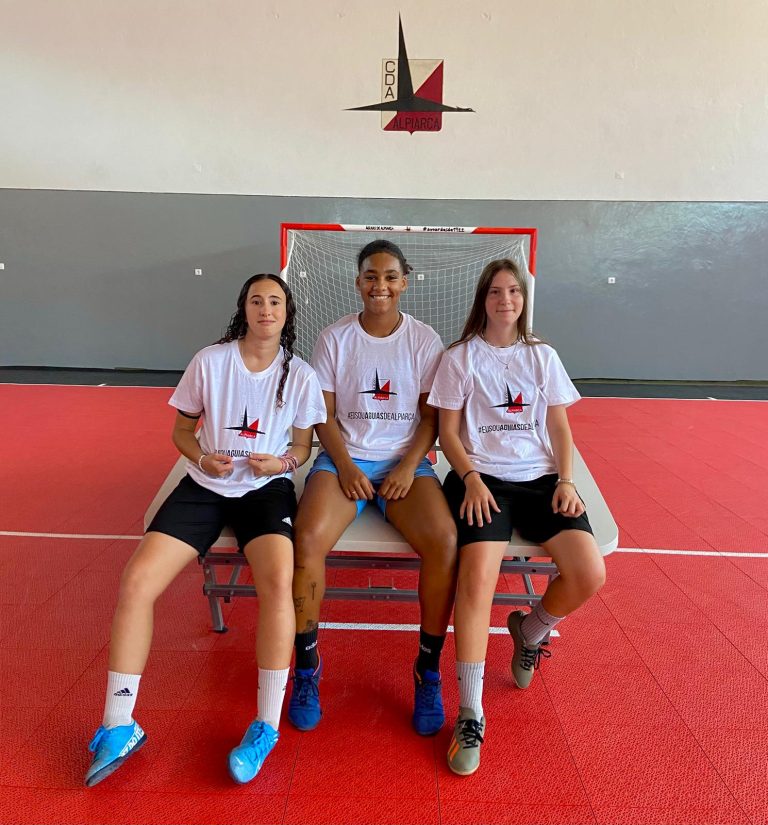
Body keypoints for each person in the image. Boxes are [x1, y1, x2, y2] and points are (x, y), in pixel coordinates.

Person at [84, 274, 326, 787]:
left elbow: (303, 448)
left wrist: (281, 463)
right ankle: (118, 724)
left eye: (275, 301)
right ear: (244, 308)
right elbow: (181, 431)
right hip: (204, 486)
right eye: (257, 300)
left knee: (278, 583)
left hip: (265, 490)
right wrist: (201, 457)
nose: (266, 309)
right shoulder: (211, 362)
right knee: (136, 581)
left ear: (287, 313)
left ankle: (265, 727)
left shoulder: (300, 374)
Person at [427, 258, 606, 776]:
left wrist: (567, 481)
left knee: (589, 573)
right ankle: (471, 712)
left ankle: (530, 632)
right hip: (481, 479)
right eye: (495, 292)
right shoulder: (461, 357)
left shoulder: (541, 355)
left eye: (513, 291)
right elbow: (447, 433)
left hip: (541, 480)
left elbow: (560, 427)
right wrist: (471, 478)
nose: (505, 300)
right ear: (482, 299)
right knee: (476, 583)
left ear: (523, 300)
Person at [288, 239, 457, 736]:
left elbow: (430, 417)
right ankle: (307, 668)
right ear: (358, 282)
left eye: (388, 276)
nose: (379, 285)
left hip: (405, 464)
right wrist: (343, 466)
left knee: (445, 543)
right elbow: (323, 415)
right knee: (306, 540)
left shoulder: (424, 340)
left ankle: (427, 671)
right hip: (346, 460)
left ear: (404, 282)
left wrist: (408, 466)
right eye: (370, 276)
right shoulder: (334, 338)